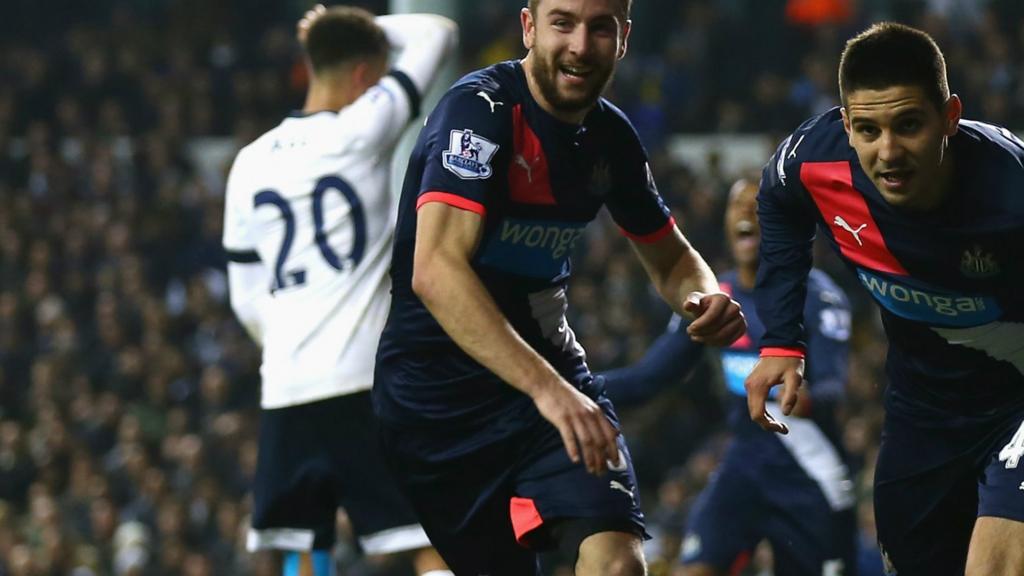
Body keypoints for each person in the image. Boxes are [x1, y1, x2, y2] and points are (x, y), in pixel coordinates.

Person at [371, 0, 746, 574]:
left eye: (600, 28)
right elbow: (436, 271)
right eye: (563, 23)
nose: (580, 45)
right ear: (529, 27)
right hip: (440, 401)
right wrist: (547, 390)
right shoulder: (479, 111)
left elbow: (672, 261)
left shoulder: (610, 138)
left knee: (617, 564)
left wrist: (703, 297)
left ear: (623, 38)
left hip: (553, 391)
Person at [746, 21, 1024, 575]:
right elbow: (777, 204)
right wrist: (781, 340)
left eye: (909, 125)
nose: (888, 152)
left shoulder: (1011, 188)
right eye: (868, 130)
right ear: (846, 125)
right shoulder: (810, 161)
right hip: (926, 409)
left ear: (950, 116)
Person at [221, 5, 456, 576]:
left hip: (288, 384)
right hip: (365, 377)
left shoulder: (247, 165)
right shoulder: (363, 128)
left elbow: (246, 299)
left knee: (304, 545)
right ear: (361, 76)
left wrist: (291, 340)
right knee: (427, 535)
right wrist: (372, 37)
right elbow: (439, 32)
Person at [599, 178, 857, 576]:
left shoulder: (817, 296)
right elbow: (649, 378)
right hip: (744, 466)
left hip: (808, 473)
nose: (745, 213)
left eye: (756, 206)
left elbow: (833, 389)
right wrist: (570, 387)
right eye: (736, 206)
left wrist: (801, 397)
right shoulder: (717, 300)